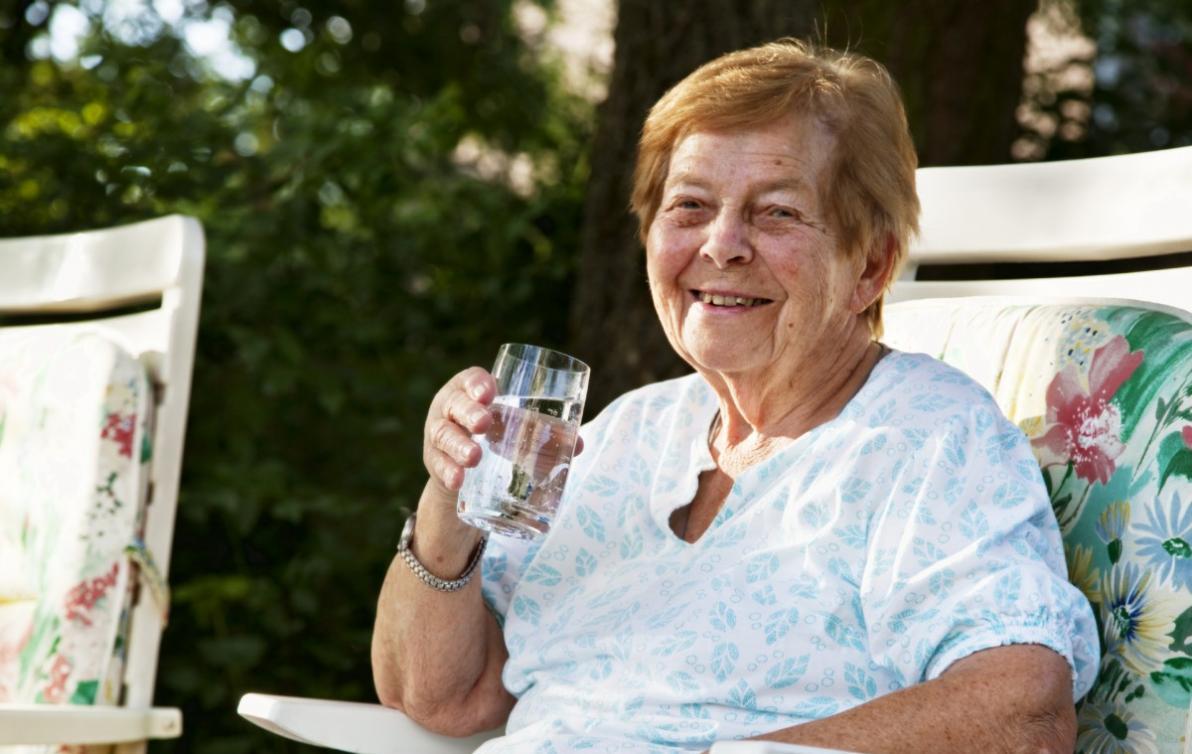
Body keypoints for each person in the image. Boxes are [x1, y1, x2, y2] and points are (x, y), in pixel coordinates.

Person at [371, 39, 1099, 753]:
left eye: (776, 212)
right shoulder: (625, 434)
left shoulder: (930, 438)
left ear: (869, 266)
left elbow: (1020, 711)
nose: (721, 244)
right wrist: (451, 498)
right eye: (689, 205)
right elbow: (444, 696)